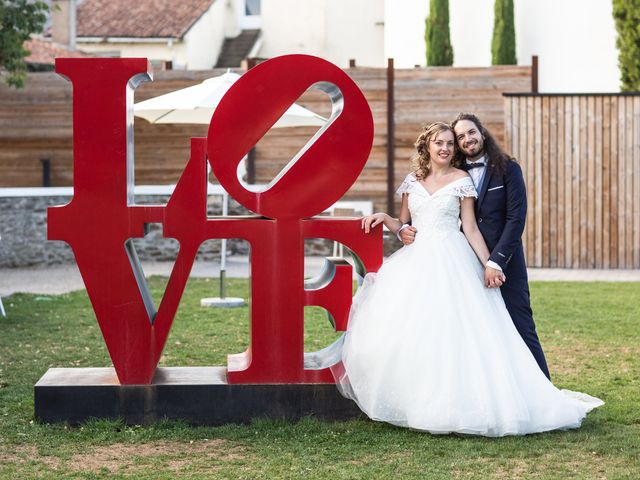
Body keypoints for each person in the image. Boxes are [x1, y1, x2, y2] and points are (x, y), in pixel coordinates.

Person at [333, 122, 603, 436]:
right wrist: (388, 220)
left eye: (451, 143)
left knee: (460, 331)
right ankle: (419, 399)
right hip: (417, 261)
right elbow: (405, 225)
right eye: (439, 142)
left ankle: (466, 403)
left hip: (453, 258)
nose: (446, 148)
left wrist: (491, 264)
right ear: (427, 147)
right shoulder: (412, 181)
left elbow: (471, 227)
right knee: (418, 330)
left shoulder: (462, 181)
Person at [399, 113, 550, 380]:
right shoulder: (452, 173)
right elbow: (413, 218)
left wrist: (495, 262)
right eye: (460, 137)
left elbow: (516, 219)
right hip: (462, 262)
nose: (466, 139)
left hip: (504, 259)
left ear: (482, 133)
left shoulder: (508, 169)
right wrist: (401, 228)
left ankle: (542, 387)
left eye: (471, 132)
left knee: (520, 323)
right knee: (476, 330)